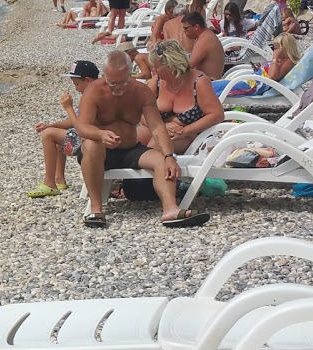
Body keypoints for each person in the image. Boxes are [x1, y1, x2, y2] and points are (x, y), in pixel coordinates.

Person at [71, 50, 210, 229]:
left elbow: (157, 127)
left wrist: (169, 156)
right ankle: (96, 209)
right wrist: (100, 134)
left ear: (130, 74)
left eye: (121, 83)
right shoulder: (94, 91)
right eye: (112, 83)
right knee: (91, 145)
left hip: (130, 149)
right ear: (105, 75)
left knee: (162, 160)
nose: (116, 88)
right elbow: (82, 126)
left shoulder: (141, 91)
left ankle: (170, 210)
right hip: (101, 151)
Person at [138, 39, 226, 155]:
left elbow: (217, 115)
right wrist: (164, 125)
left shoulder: (199, 82)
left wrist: (184, 131)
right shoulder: (158, 81)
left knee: (154, 150)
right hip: (162, 128)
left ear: (171, 66)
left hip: (192, 135)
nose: (153, 70)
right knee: (127, 140)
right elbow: (140, 111)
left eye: (156, 67)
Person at [28, 60, 100, 197]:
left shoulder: (92, 97)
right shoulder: (96, 91)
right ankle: (59, 179)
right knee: (55, 134)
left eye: (77, 84)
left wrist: (68, 107)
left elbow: (79, 125)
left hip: (89, 142)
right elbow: (73, 122)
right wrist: (51, 125)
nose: (76, 89)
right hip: (90, 138)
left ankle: (49, 183)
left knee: (49, 135)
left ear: (88, 80)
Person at [215, 33, 301, 97]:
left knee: (219, 87)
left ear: (285, 47)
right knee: (219, 84)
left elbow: (272, 77)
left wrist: (275, 57)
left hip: (253, 86)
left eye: (277, 47)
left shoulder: (289, 61)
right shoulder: (282, 60)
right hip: (252, 81)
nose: (275, 50)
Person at [180, 12, 225, 79]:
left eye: (186, 29)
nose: (185, 32)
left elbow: (188, 66)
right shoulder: (208, 35)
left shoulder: (204, 41)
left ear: (196, 27)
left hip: (210, 84)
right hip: (211, 81)